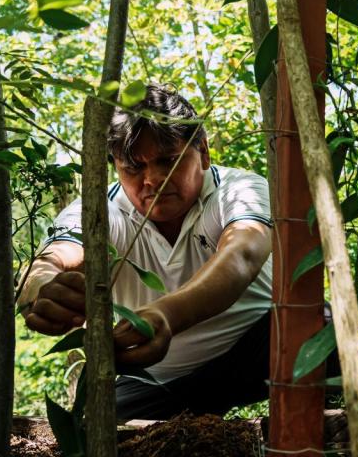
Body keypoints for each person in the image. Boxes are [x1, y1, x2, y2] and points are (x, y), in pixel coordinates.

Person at [18, 84, 279, 420]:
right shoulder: (102, 211)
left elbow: (243, 252)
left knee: (316, 324)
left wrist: (167, 314)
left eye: (168, 161)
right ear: (114, 166)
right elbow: (52, 259)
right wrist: (41, 289)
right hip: (160, 379)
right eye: (133, 167)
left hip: (258, 349)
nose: (153, 180)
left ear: (203, 151)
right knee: (93, 433)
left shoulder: (240, 189)